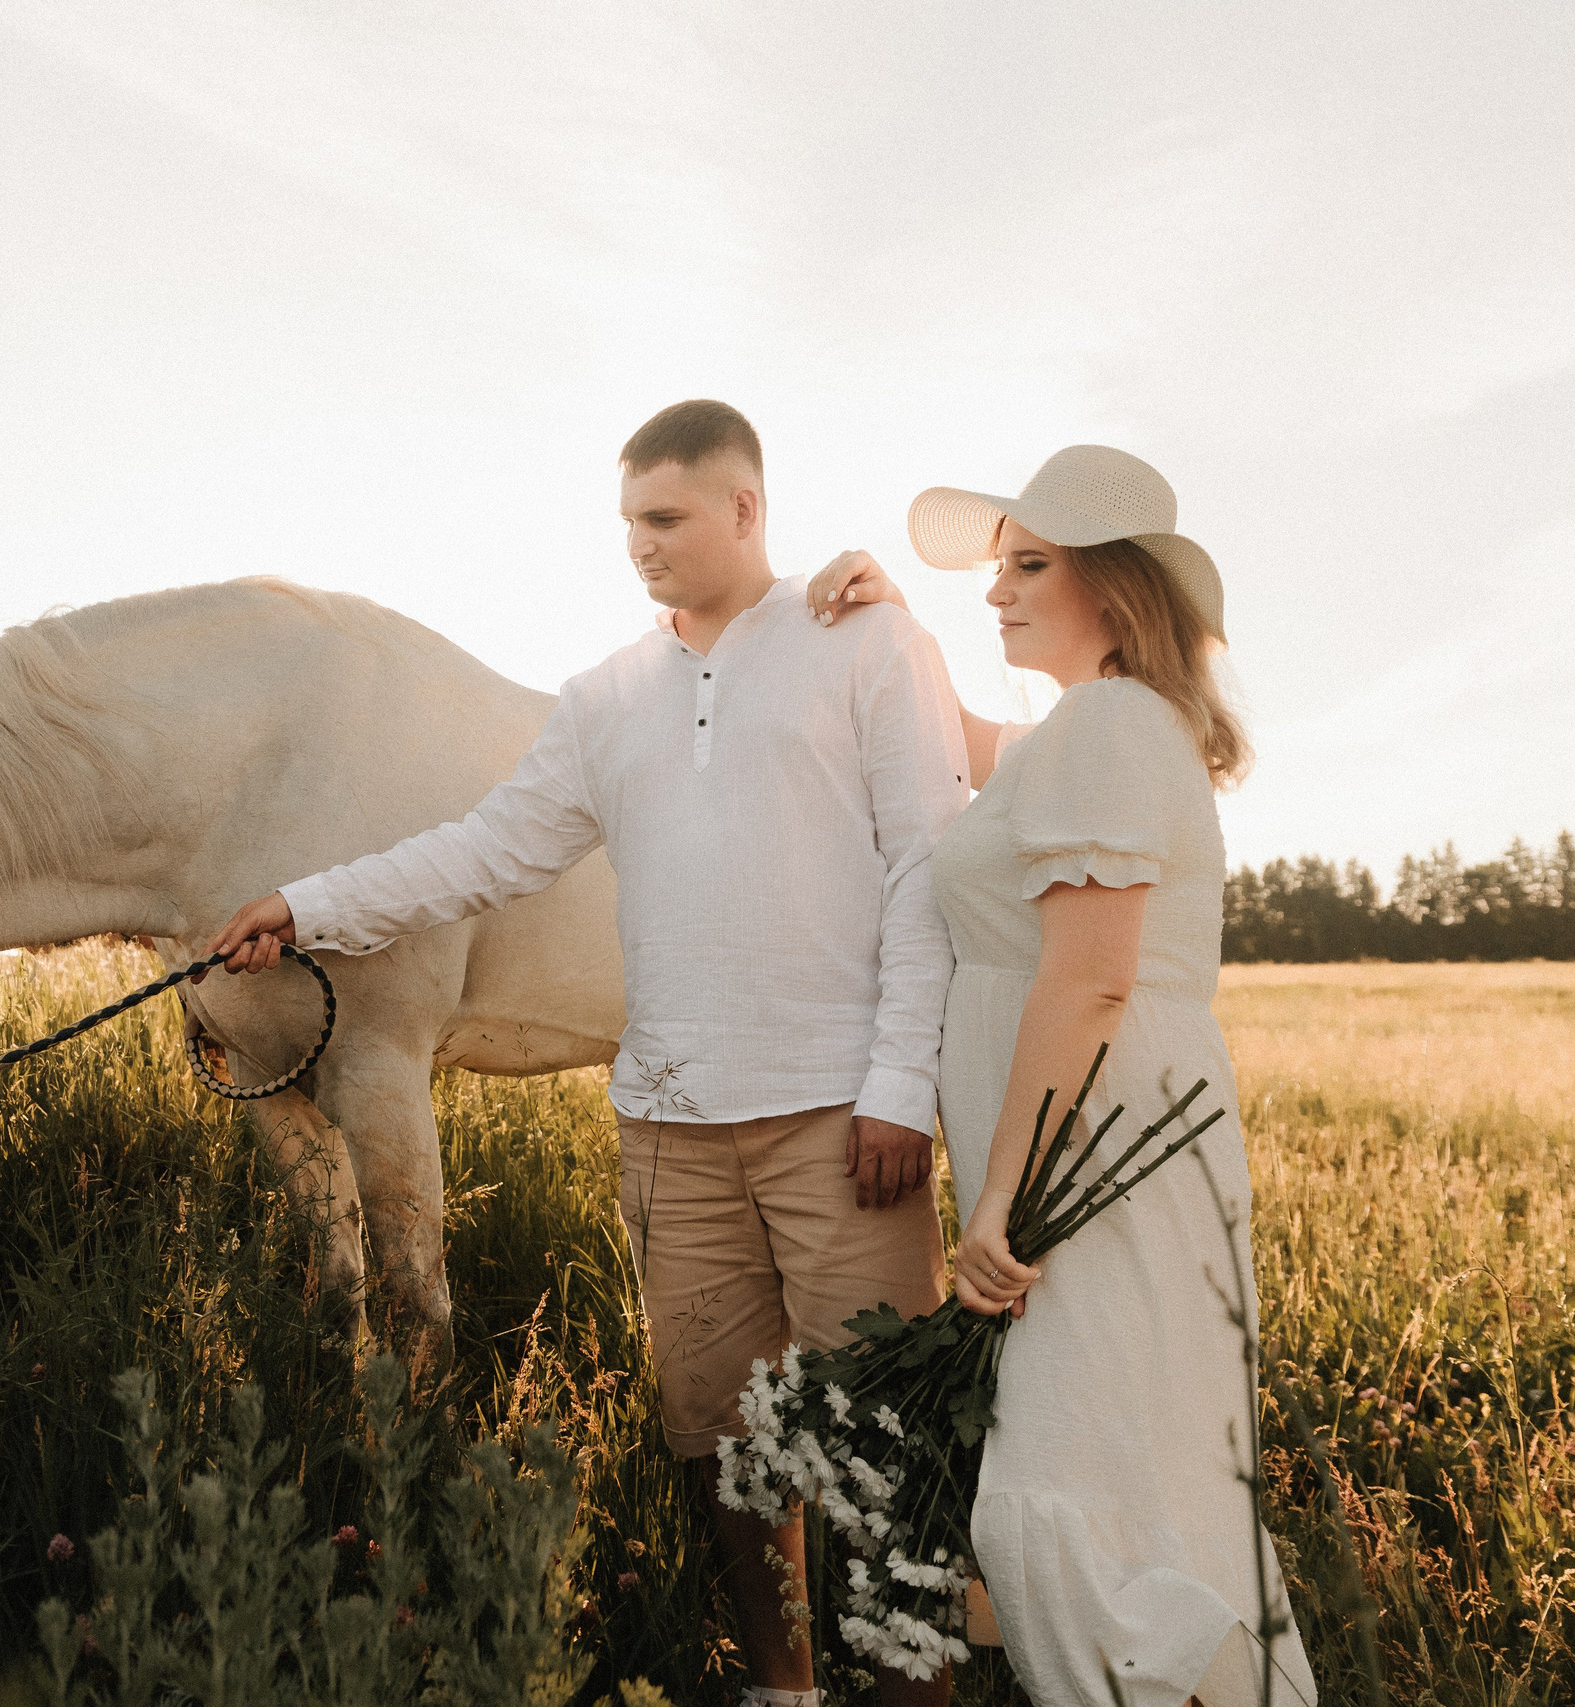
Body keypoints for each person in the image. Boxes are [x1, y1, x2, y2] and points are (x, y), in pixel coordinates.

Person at [206, 400, 968, 1707]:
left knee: (882, 1440)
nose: (640, 545)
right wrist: (308, 904)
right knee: (726, 1440)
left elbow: (925, 860)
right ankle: (785, 1687)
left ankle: (915, 1690)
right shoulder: (608, 698)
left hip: (842, 1117)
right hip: (670, 1128)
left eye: (666, 519)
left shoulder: (866, 642)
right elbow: (483, 848)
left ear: (745, 509)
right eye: (626, 522)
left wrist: (903, 1082)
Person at [809, 445, 1316, 1707]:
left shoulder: (1104, 723)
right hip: (1091, 1140)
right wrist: (901, 633)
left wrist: (997, 1202)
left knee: (1081, 1474)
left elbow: (1087, 980)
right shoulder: (1088, 730)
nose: (998, 592)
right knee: (1124, 1474)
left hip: (1083, 1160)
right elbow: (973, 751)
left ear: (1115, 585)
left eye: (1029, 566)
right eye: (998, 570)